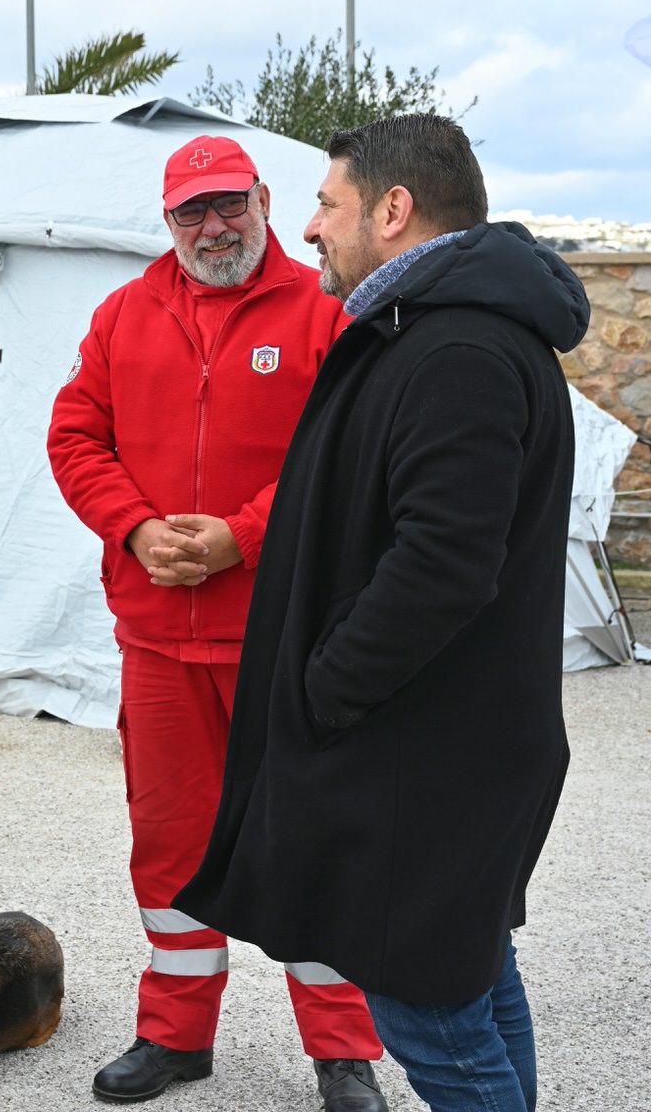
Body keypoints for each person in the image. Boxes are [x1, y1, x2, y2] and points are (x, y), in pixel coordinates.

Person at [176, 115, 588, 1112]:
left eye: (327, 203)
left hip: (430, 752)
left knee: (432, 1018)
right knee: (473, 978)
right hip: (442, 742)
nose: (310, 227)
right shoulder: (431, 330)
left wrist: (324, 685)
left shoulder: (459, 349)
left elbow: (442, 565)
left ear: (394, 209)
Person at [48, 134, 387, 1109]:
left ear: (264, 199)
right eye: (191, 211)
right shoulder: (124, 313)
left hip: (285, 633)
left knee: (308, 834)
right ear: (167, 220)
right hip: (158, 635)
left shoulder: (326, 307)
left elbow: (351, 452)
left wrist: (242, 536)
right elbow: (74, 435)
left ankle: (342, 1048)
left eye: (228, 204)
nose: (213, 226)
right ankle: (176, 1032)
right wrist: (136, 525)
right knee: (169, 841)